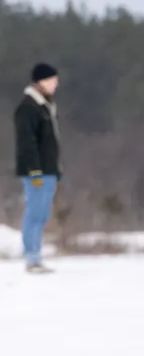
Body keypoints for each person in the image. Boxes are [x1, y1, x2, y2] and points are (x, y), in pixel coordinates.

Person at [13, 63, 63, 274]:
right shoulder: (28, 108)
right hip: (36, 171)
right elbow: (27, 143)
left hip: (49, 169)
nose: (55, 84)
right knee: (34, 214)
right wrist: (35, 171)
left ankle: (36, 256)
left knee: (42, 215)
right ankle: (31, 257)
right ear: (40, 82)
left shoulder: (45, 106)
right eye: (52, 80)